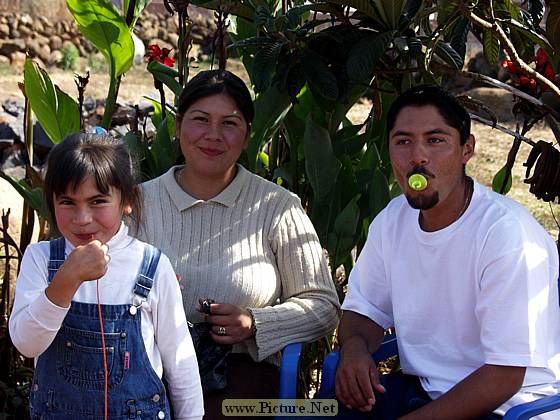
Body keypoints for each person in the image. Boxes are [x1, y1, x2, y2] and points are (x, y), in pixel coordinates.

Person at [336, 85, 560, 419]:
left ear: (467, 149)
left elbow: (506, 375)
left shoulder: (506, 234)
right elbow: (363, 310)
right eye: (403, 141)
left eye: (435, 140)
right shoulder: (393, 220)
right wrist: (353, 351)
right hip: (424, 390)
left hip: (510, 406)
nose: (418, 156)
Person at [134, 69, 341, 417]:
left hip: (241, 382)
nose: (213, 135)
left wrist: (255, 323)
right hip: (145, 372)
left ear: (247, 135)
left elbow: (323, 305)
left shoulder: (276, 207)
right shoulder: (137, 204)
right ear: (178, 125)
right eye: (200, 120)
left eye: (229, 123)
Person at [9, 133, 204, 420]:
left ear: (127, 200)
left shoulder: (151, 265)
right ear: (51, 201)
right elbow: (27, 343)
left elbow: (180, 360)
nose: (82, 218)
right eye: (67, 202)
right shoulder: (41, 259)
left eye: (97, 201)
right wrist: (67, 278)